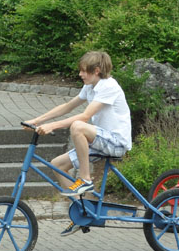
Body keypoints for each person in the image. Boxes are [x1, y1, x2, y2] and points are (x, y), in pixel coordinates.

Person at [26, 50, 132, 236]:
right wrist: (37, 120)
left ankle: (85, 179)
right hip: (100, 141)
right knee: (57, 165)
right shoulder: (90, 87)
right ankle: (82, 212)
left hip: (116, 142)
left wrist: (52, 126)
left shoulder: (109, 86)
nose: (80, 74)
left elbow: (84, 116)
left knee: (78, 126)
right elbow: (67, 107)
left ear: (96, 71)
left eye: (84, 71)